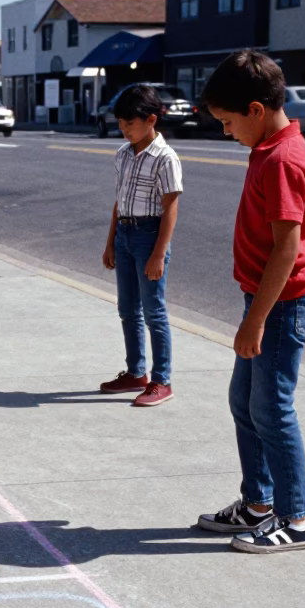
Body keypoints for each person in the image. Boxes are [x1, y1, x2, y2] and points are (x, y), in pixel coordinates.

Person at [196, 50, 305, 554]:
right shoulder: (270, 147)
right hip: (268, 300)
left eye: (228, 122)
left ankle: (297, 520)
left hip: (284, 302)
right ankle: (258, 504)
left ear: (255, 109)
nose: (227, 132)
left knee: (272, 408)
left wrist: (255, 321)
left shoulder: (282, 160)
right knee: (244, 402)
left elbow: (287, 247)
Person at [99, 84, 182, 407]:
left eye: (129, 124)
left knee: (154, 312)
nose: (124, 130)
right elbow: (118, 203)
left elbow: (171, 208)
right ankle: (136, 373)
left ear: (151, 119)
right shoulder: (123, 154)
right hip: (124, 234)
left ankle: (162, 380)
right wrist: (110, 243)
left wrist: (159, 253)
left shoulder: (165, 158)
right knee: (127, 309)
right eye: (120, 124)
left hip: (150, 236)